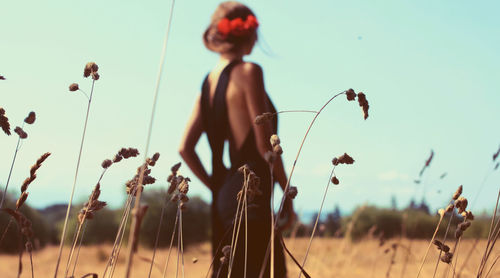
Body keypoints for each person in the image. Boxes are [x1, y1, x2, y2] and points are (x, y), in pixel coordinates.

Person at [179, 2, 294, 277]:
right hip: (252, 200)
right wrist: (287, 194)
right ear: (249, 32)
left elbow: (185, 148)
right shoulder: (249, 72)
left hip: (225, 200)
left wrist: (216, 188)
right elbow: (264, 145)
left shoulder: (207, 84)